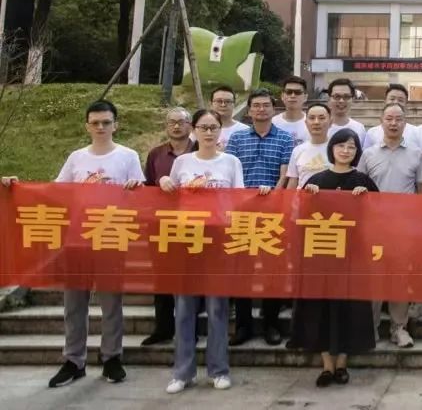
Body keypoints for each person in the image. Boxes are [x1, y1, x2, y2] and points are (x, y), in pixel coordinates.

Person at [2, 101, 144, 388]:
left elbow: (142, 193)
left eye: (106, 122)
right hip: (77, 241)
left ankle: (112, 358)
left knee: (111, 303)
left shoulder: (128, 156)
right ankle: (74, 361)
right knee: (74, 305)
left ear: (116, 125)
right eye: (95, 122)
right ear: (87, 126)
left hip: (111, 237)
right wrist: (18, 187)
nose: (101, 127)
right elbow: (55, 191)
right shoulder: (77, 157)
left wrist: (135, 189)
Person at [159, 109, 271, 394]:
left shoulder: (231, 162)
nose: (208, 132)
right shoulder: (182, 162)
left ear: (221, 131)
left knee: (217, 309)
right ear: (193, 130)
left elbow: (239, 198)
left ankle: (218, 370)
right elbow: (170, 198)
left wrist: (260, 194)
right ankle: (182, 373)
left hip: (219, 242)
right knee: (184, 310)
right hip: (187, 241)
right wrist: (163, 182)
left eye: (213, 127)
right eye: (203, 127)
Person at [294, 129, 378, 388]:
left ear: (357, 152)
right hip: (321, 255)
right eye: (341, 146)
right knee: (320, 309)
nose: (345, 151)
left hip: (352, 257)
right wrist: (309, 197)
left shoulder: (363, 181)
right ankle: (326, 366)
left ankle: (341, 363)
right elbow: (301, 217)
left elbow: (378, 215)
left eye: (351, 147)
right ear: (332, 149)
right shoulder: (316, 180)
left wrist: (367, 199)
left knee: (348, 309)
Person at [225, 88, 296, 346]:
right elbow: (230, 172)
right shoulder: (237, 138)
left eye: (266, 105)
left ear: (273, 109)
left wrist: (272, 199)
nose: (261, 109)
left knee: (272, 271)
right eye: (256, 105)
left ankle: (271, 324)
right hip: (241, 213)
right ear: (249, 110)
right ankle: (243, 325)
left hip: (273, 213)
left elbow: (285, 175)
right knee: (241, 272)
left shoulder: (285, 138)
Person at [357, 102, 422, 348]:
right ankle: (371, 328)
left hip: (404, 229)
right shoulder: (368, 154)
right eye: (389, 118)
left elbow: (421, 191)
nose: (394, 123)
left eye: (398, 119)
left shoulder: (416, 154)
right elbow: (360, 189)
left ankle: (399, 328)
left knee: (399, 278)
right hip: (374, 228)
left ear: (405, 123)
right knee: (374, 278)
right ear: (381, 121)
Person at [140, 107, 194, 347]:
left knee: (190, 279)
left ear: (190, 126)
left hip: (194, 224)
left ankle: (189, 329)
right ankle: (163, 327)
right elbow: (148, 187)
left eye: (181, 121)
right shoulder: (156, 154)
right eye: (172, 122)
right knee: (162, 278)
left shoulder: (200, 151)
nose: (176, 126)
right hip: (162, 223)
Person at [284, 104, 332, 189]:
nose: (316, 122)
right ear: (306, 123)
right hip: (302, 196)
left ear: (330, 122)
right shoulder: (298, 150)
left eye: (321, 118)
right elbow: (293, 182)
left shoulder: (338, 149)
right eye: (312, 118)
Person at [363, 83, 421, 148]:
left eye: (400, 100)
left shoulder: (416, 132)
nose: (396, 102)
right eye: (392, 99)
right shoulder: (372, 133)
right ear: (385, 102)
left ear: (406, 104)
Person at [272, 75, 310, 146]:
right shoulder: (273, 123)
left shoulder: (312, 123)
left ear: (305, 97)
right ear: (282, 96)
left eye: (298, 92)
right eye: (289, 92)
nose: (293, 96)